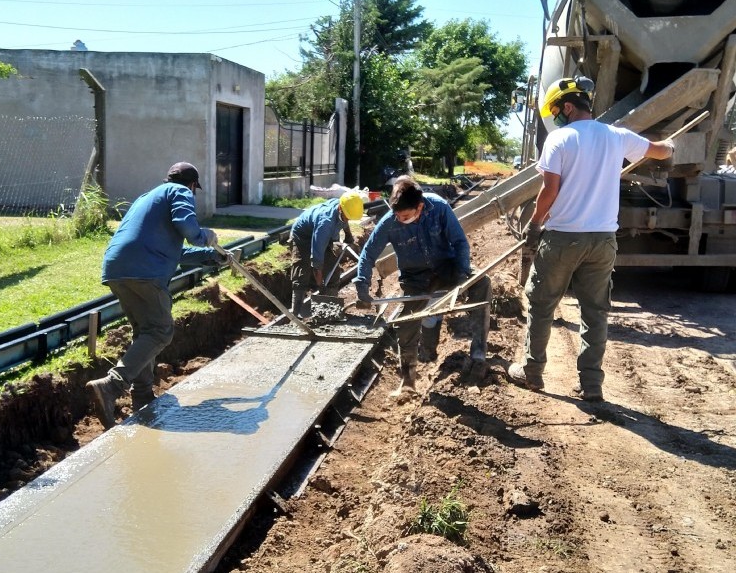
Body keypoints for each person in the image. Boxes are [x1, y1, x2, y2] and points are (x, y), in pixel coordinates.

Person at [507, 76, 674, 402]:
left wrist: (535, 223)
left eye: (557, 110)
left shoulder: (559, 139)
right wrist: (672, 147)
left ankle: (532, 373)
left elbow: (549, 190)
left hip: (562, 238)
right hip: (602, 241)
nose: (556, 116)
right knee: (594, 312)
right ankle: (591, 385)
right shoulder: (617, 136)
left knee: (542, 306)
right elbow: (659, 151)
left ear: (568, 107)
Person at [86, 161, 224, 429]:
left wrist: (212, 257)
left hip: (117, 268)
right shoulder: (179, 192)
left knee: (145, 333)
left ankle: (143, 397)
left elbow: (172, 252)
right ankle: (112, 385)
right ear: (193, 185)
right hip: (144, 272)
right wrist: (205, 236)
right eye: (194, 189)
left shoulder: (147, 198)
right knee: (161, 331)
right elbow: (188, 228)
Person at [354, 176, 491, 397]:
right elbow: (368, 254)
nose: (400, 219)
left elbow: (459, 242)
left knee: (482, 283)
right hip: (415, 278)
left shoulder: (438, 207)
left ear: (419, 207)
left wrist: (461, 273)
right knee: (406, 324)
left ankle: (478, 355)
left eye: (405, 216)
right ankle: (408, 381)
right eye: (397, 215)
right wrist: (362, 283)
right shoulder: (390, 220)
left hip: (447, 267)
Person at [289, 192, 364, 317]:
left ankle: (331, 313)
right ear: (340, 208)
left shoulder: (343, 207)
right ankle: (295, 315)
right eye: (346, 217)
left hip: (321, 234)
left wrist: (349, 236)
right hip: (302, 237)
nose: (347, 220)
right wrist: (320, 282)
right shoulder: (325, 223)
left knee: (333, 274)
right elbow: (317, 255)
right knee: (301, 273)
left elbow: (345, 221)